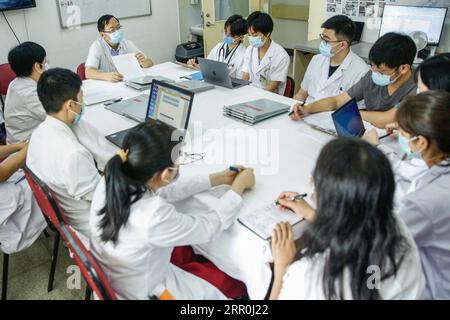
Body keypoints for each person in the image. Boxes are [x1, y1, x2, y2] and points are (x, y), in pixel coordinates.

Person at [89, 121, 255, 300]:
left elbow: (165, 190)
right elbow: (209, 227)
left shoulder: (112, 179)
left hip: (122, 280)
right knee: (215, 295)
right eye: (178, 158)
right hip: (148, 293)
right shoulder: (153, 215)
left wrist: (218, 178)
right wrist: (238, 188)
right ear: (165, 174)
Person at [269, 139, 424, 300]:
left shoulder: (311, 275)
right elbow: (356, 228)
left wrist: (282, 266)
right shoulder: (395, 225)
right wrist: (311, 213)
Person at [364, 91, 450, 300]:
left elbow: (375, 248)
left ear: (421, 142)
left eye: (402, 133)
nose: (398, 135)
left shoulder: (424, 203)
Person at [27, 68, 101, 245]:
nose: (82, 104)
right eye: (81, 99)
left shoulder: (38, 133)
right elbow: (105, 198)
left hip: (67, 218)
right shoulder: (73, 153)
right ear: (70, 105)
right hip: (95, 228)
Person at [291, 33, 417, 128]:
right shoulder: (372, 75)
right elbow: (337, 101)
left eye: (381, 70)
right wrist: (308, 109)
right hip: (369, 131)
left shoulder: (417, 87)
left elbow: (387, 119)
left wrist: (349, 114)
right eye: (372, 65)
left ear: (404, 68)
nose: (374, 71)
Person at [294, 15, 368, 105]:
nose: (322, 43)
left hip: (332, 117)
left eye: (326, 40)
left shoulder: (361, 71)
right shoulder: (316, 60)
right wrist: (293, 109)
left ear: (342, 45)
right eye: (322, 38)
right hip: (306, 112)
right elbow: (301, 94)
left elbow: (355, 111)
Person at [0, 143, 46, 255]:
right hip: (13, 222)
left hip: (11, 191)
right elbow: (2, 174)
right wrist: (31, 145)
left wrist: (18, 147)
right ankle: (71, 236)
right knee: (52, 177)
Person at [85, 15, 154, 82]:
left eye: (118, 28)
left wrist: (143, 62)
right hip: (107, 86)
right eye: (112, 30)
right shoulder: (97, 47)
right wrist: (106, 76)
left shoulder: (126, 43)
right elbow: (88, 72)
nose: (117, 32)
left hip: (127, 82)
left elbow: (150, 62)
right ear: (102, 35)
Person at [4, 42, 49, 144]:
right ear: (38, 66)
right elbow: (57, 116)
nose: (47, 63)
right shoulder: (28, 94)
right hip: (25, 149)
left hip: (23, 139)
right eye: (45, 61)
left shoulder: (17, 83)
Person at [242, 11, 290, 95]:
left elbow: (273, 85)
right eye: (249, 35)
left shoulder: (281, 55)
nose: (251, 38)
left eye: (254, 35)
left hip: (269, 97)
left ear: (267, 34)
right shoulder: (250, 49)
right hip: (250, 93)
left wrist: (256, 97)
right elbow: (245, 76)